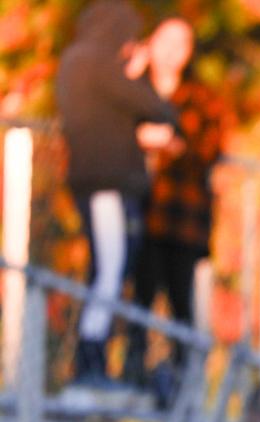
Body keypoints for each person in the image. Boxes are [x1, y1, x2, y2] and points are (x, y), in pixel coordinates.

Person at [55, 0, 175, 383]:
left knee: (105, 266)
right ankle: (91, 356)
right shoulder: (98, 63)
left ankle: (92, 353)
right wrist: (138, 71)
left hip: (93, 180)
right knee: (110, 267)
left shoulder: (77, 60)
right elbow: (156, 107)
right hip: (105, 183)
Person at [126, 16, 229, 391]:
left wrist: (165, 145)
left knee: (180, 299)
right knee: (137, 295)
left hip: (180, 218)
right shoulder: (130, 89)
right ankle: (131, 370)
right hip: (135, 214)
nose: (171, 53)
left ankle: (184, 379)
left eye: (181, 44)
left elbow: (208, 149)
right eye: (165, 41)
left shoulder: (202, 99)